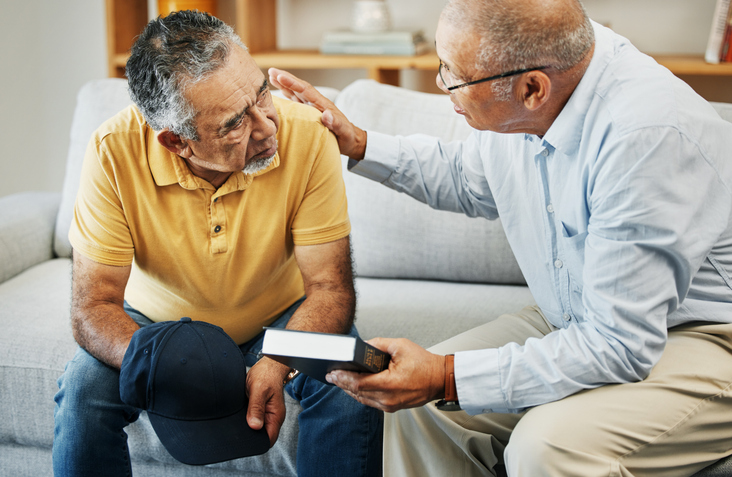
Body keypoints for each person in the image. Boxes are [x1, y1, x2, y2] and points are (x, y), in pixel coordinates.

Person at [269, 0, 732, 475]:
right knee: (413, 407)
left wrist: (446, 377)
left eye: (453, 73)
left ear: (532, 88)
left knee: (546, 447)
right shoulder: (543, 86)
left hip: (701, 336)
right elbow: (474, 179)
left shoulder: (648, 136)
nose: (440, 82)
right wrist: (359, 142)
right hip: (574, 317)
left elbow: (619, 344)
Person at [52, 11, 382, 477]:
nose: (268, 127)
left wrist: (276, 360)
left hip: (279, 319)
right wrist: (168, 365)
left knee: (351, 378)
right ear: (176, 142)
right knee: (83, 392)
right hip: (158, 325)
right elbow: (93, 306)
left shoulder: (307, 134)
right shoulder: (112, 151)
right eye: (234, 124)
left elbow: (331, 289)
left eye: (261, 93)